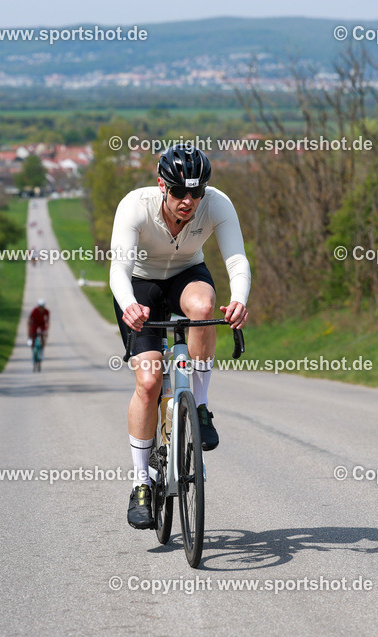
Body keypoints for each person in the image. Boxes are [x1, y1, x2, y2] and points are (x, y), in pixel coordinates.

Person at [109, 144, 250, 530]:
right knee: (149, 381)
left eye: (196, 191)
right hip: (140, 285)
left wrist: (239, 299)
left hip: (187, 275)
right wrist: (129, 305)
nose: (188, 201)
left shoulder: (217, 203)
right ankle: (141, 482)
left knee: (204, 309)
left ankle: (199, 406)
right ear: (162, 186)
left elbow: (236, 259)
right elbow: (119, 267)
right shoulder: (135, 206)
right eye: (178, 192)